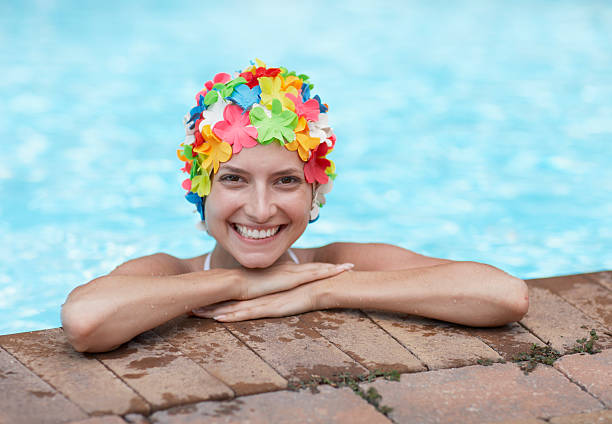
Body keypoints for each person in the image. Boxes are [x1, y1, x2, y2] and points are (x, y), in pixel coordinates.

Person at [61, 60, 529, 353]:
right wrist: (236, 283)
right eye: (234, 180)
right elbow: (85, 321)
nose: (261, 210)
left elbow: (502, 295)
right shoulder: (172, 273)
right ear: (203, 193)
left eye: (286, 181)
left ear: (314, 194)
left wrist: (322, 293)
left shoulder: (333, 266)